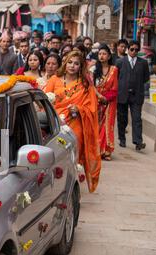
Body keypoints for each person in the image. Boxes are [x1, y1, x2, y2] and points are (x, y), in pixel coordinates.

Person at [44, 51, 101, 193]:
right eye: (70, 62)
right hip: (55, 123)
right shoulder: (54, 79)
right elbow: (43, 103)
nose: (72, 66)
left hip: (76, 124)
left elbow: (92, 108)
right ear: (65, 63)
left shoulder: (85, 84)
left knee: (74, 155)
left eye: (76, 63)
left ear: (81, 66)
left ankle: (70, 185)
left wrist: (79, 109)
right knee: (54, 153)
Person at [116, 40, 150, 150]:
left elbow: (146, 78)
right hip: (122, 94)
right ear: (127, 49)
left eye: (136, 50)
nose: (134, 51)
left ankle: (138, 141)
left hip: (136, 95)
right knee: (122, 118)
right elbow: (116, 78)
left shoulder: (143, 63)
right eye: (132, 49)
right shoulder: (120, 62)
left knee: (137, 118)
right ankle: (122, 139)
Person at [92, 44, 119, 161]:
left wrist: (105, 98)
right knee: (95, 125)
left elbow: (115, 88)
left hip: (109, 101)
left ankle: (106, 151)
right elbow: (90, 86)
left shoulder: (114, 70)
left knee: (106, 126)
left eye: (104, 54)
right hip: (95, 100)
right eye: (100, 54)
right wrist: (98, 97)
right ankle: (96, 149)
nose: (101, 56)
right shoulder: (93, 69)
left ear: (109, 56)